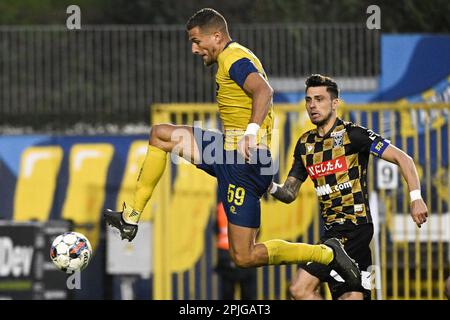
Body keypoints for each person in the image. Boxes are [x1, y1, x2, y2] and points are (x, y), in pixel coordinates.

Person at [104, 8, 360, 288]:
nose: (194, 49)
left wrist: (250, 134)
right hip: (229, 151)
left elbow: (263, 91)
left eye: (197, 41)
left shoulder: (233, 58)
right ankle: (131, 217)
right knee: (161, 134)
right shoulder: (237, 54)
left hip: (243, 160)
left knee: (245, 256)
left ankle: (327, 253)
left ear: (216, 36)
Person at [269, 74, 429, 300]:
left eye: (319, 99)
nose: (312, 105)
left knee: (299, 288)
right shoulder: (305, 145)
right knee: (352, 297)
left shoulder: (353, 134)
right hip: (333, 233)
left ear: (335, 103)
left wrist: (416, 198)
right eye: (308, 100)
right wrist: (269, 186)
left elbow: (405, 159)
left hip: (355, 228)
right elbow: (289, 193)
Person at [215, 202, 256, 300]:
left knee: (227, 293)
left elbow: (216, 229)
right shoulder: (249, 204)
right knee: (247, 293)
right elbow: (257, 229)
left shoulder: (222, 206)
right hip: (245, 252)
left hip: (226, 254)